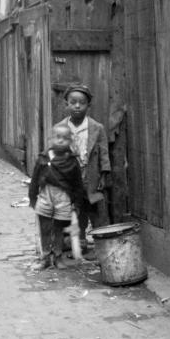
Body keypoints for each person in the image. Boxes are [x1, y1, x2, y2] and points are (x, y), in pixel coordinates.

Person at [56, 84, 111, 255]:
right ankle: (79, 245)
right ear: (67, 104)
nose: (77, 106)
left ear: (89, 105)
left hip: (91, 175)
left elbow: (103, 153)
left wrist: (103, 175)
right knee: (76, 212)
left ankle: (101, 246)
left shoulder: (97, 128)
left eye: (82, 103)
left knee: (96, 211)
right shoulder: (60, 128)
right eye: (73, 102)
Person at [28, 123, 88, 270]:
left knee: (59, 228)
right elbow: (35, 179)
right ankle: (46, 257)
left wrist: (77, 203)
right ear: (50, 139)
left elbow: (77, 184)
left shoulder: (72, 162)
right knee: (45, 227)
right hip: (46, 195)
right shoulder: (43, 158)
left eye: (65, 138)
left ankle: (58, 256)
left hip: (64, 197)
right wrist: (33, 198)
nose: (60, 141)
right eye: (57, 137)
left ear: (71, 141)